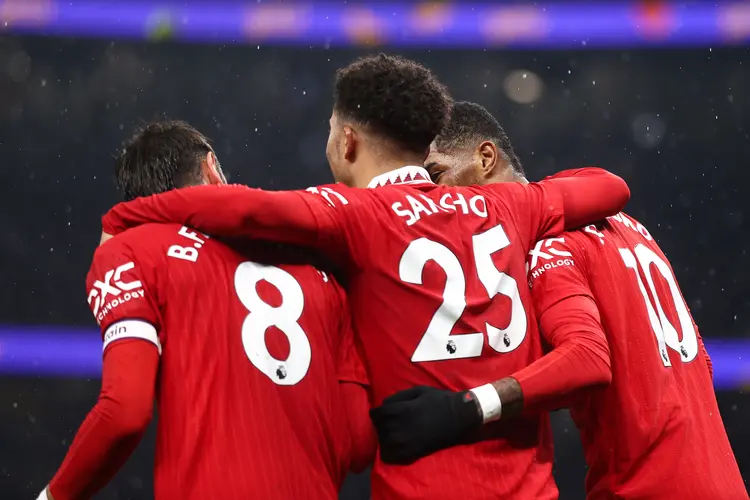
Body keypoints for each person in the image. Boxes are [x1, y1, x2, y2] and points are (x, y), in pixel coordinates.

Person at [99, 54, 630, 500]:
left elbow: (246, 211)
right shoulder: (509, 204)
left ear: (347, 141)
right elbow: (609, 187)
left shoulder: (353, 215)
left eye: (331, 129)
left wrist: (127, 218)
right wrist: (490, 204)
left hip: (423, 488)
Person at [415, 101, 747, 499]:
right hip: (721, 482)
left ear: (486, 158)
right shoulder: (628, 225)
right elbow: (700, 364)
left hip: (645, 488)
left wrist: (469, 406)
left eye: (438, 176)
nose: (437, 200)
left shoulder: (546, 246)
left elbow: (587, 360)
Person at [38, 121, 374, 500]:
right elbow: (360, 442)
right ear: (212, 168)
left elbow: (124, 411)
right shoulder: (320, 269)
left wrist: (54, 495)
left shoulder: (129, 249)